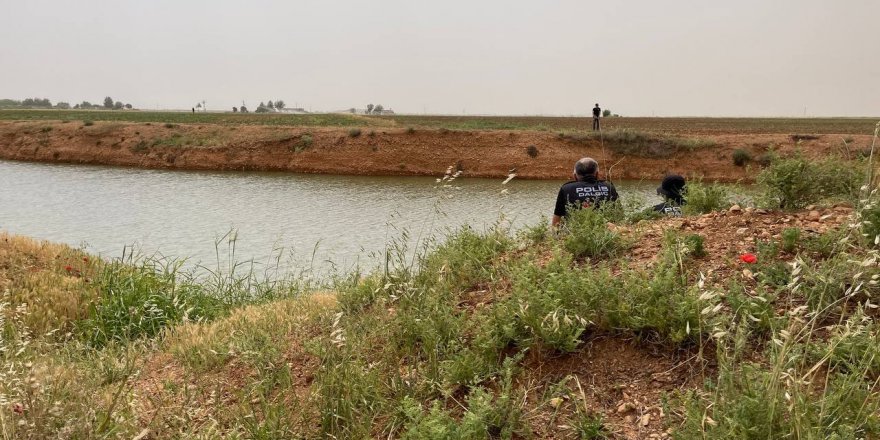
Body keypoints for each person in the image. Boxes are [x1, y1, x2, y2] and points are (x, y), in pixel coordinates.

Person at [552, 157, 619, 226]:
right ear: (597, 174)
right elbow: (619, 214)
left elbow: (557, 218)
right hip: (607, 234)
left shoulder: (566, 188)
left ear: (575, 176)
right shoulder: (609, 186)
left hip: (576, 232)